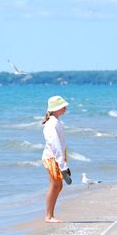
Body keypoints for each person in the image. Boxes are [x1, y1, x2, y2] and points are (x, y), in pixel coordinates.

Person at [41, 95, 72, 223]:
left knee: (58, 186)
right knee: (55, 186)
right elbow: (55, 145)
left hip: (57, 157)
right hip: (53, 158)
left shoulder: (56, 122)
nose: (65, 108)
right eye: (63, 106)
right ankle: (49, 216)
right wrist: (63, 165)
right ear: (56, 108)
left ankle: (50, 215)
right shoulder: (52, 124)